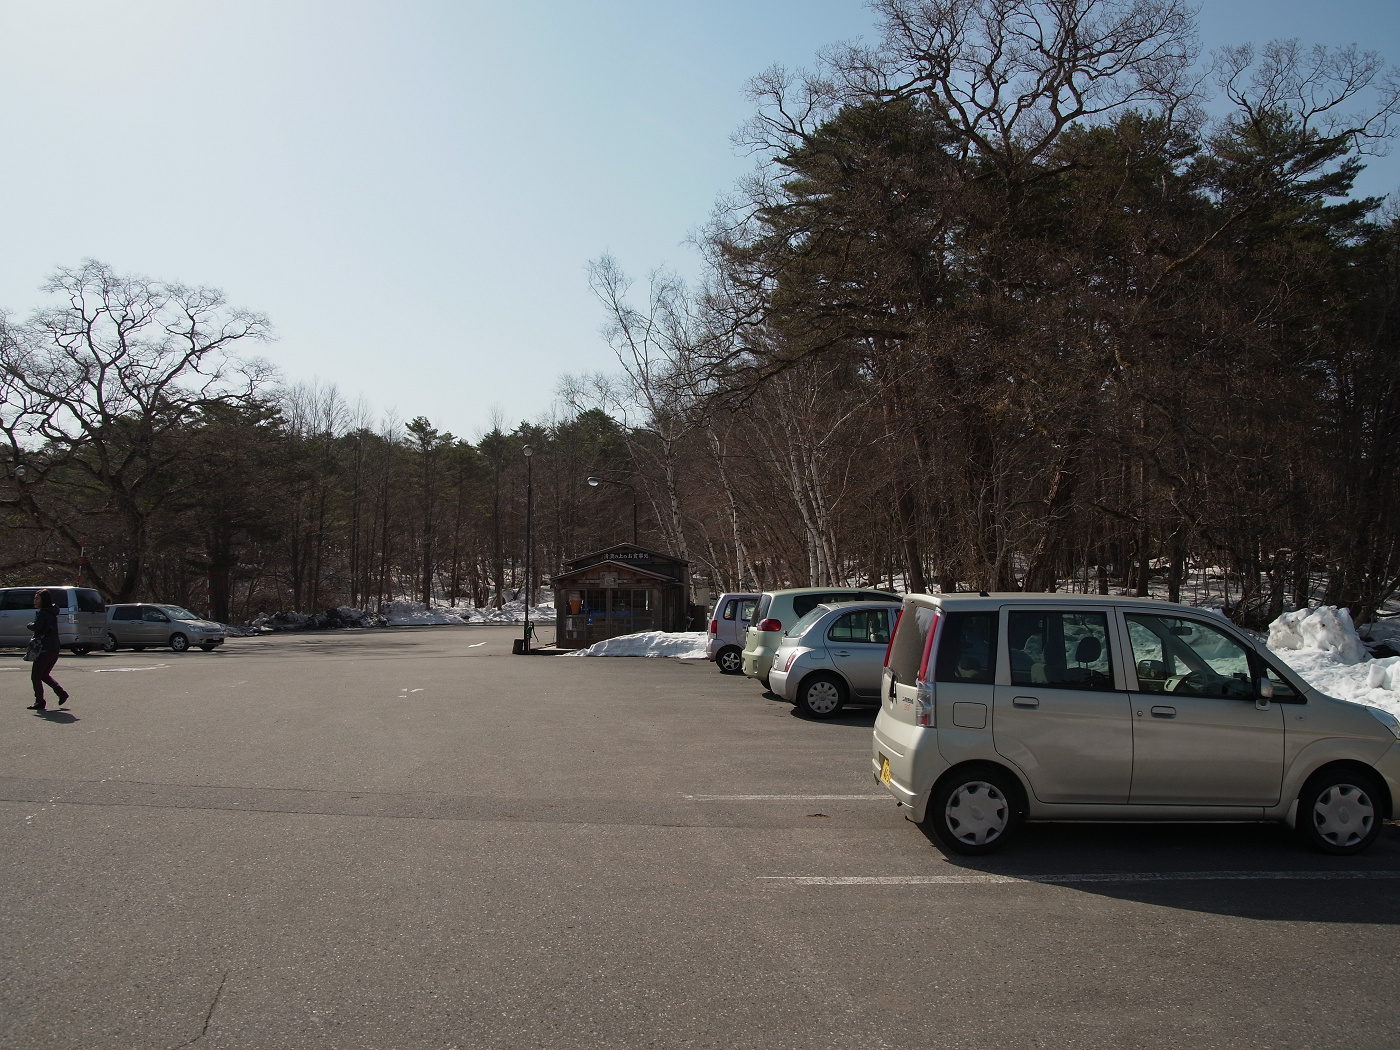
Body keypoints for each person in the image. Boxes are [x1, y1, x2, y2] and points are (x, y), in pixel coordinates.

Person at [27, 589, 68, 711]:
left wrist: (29, 625)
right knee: (44, 675)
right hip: (54, 648)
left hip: (44, 648)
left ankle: (39, 701)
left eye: (37, 598)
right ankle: (61, 693)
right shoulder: (52, 612)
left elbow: (38, 628)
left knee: (35, 676)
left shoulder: (43, 613)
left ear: (43, 600)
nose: (35, 601)